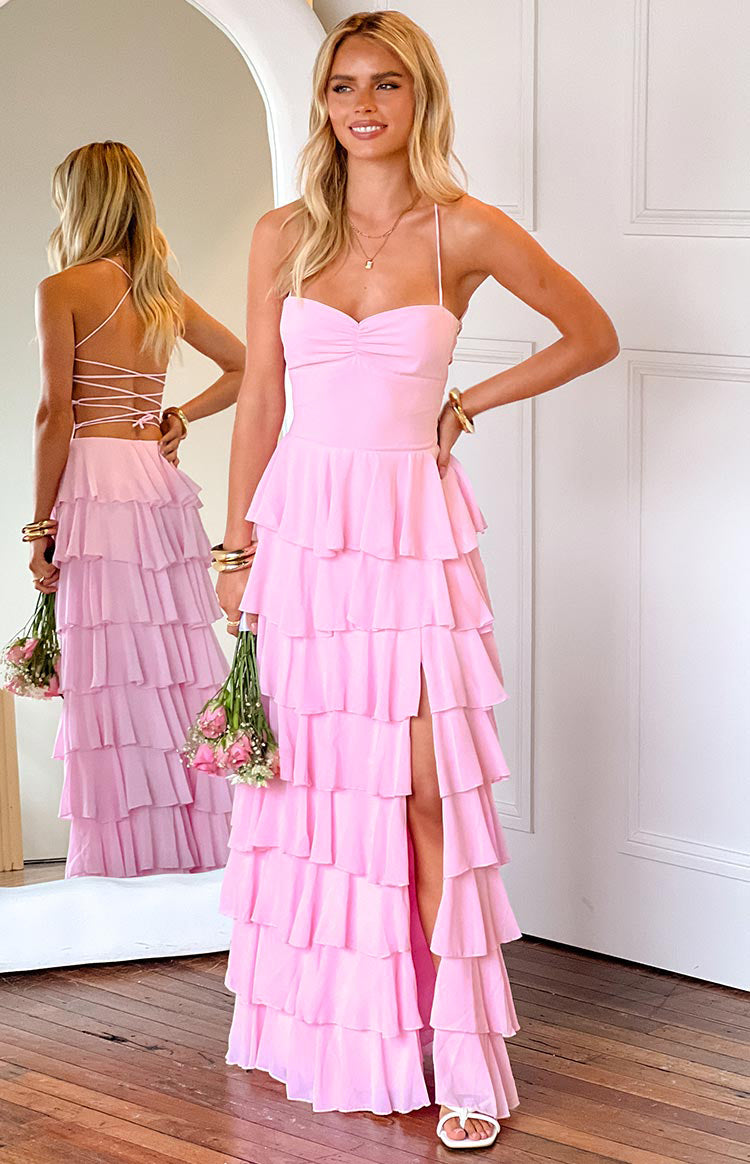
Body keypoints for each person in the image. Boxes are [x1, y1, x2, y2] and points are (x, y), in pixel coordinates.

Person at [216, 10, 619, 1150]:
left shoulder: (466, 232)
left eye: (387, 84)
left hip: (412, 544)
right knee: (320, 800)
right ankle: (344, 1036)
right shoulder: (283, 233)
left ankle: (464, 1062)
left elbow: (592, 333)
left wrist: (469, 404)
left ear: (418, 100)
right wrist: (237, 553)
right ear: (324, 103)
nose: (363, 104)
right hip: (302, 544)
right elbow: (258, 398)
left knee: (435, 795)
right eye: (344, 84)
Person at [28, 140, 245, 878]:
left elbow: (56, 412)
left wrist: (39, 530)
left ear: (80, 201)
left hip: (94, 482)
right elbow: (244, 364)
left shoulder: (63, 288)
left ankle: (122, 864)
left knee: (108, 672)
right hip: (152, 486)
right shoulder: (160, 294)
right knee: (173, 665)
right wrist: (177, 415)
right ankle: (194, 854)